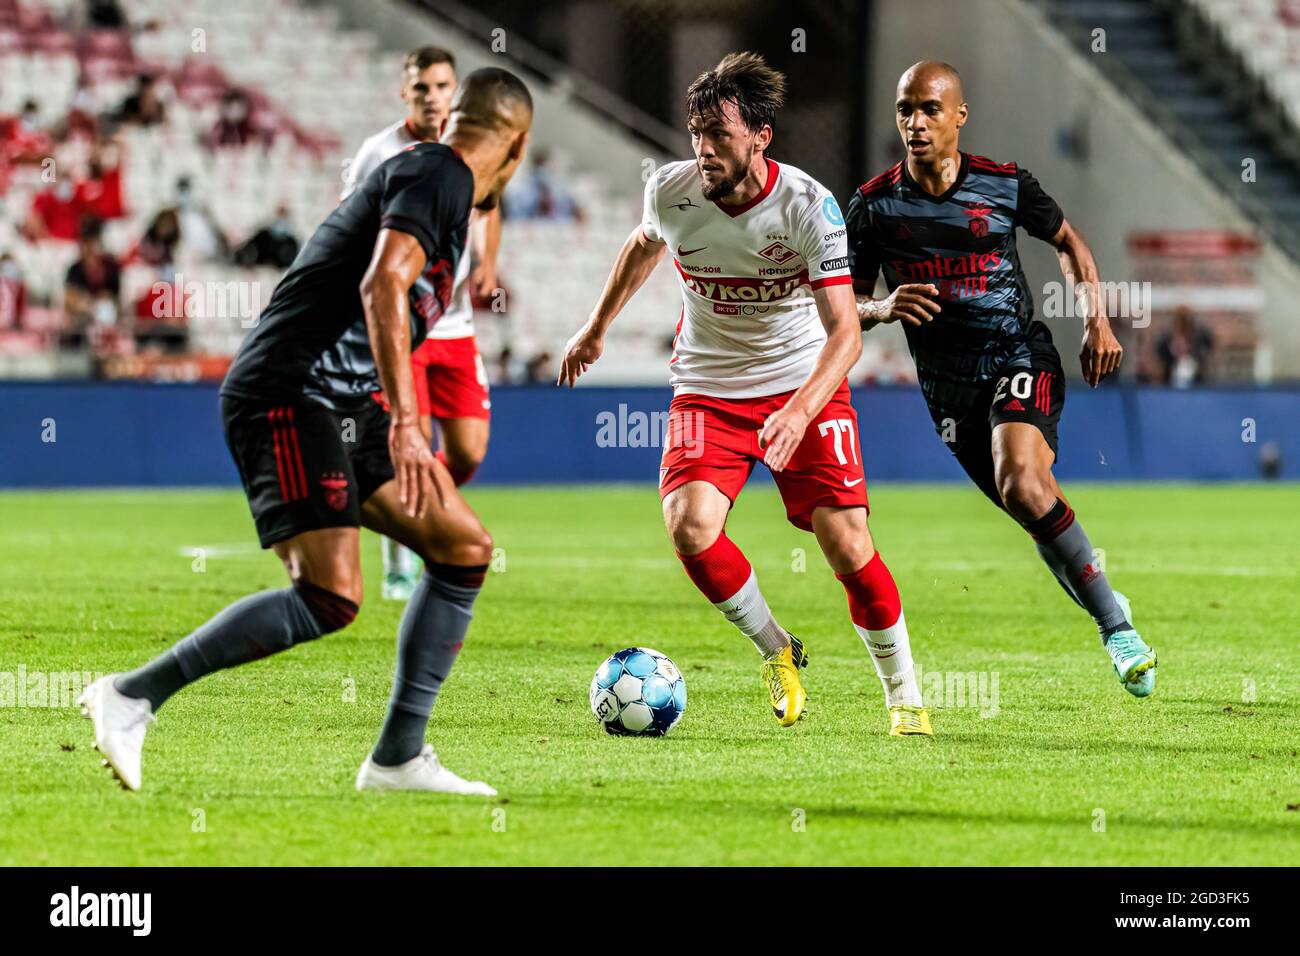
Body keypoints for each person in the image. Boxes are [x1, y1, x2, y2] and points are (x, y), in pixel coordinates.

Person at [78, 67, 533, 795]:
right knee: (331, 596)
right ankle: (132, 695)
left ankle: (398, 759)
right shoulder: (437, 174)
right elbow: (382, 283)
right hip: (292, 391)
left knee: (463, 549)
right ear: (516, 145)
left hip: (345, 400)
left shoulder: (442, 189)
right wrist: (411, 422)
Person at [558, 53, 933, 736]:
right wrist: (596, 326)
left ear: (760, 135)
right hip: (706, 389)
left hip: (800, 386)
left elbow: (845, 333)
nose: (704, 148)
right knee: (690, 528)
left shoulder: (806, 207)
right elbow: (643, 246)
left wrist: (798, 410)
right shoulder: (672, 192)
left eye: (719, 134)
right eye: (697, 132)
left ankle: (904, 694)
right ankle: (777, 650)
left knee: (846, 544)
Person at [844, 61, 1156, 697]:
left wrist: (1096, 320)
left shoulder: (1005, 185)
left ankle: (1117, 628)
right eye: (905, 109)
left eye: (930, 109)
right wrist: (882, 307)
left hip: (1018, 356)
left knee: (1021, 482)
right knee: (1031, 505)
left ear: (959, 116)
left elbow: (1068, 241)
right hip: (948, 395)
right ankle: (1099, 588)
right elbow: (845, 306)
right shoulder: (874, 208)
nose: (915, 122)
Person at [342, 45, 503, 601]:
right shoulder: (379, 152)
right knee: (415, 436)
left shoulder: (469, 150)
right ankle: (403, 547)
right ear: (405, 92)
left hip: (454, 324)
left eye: (442, 87)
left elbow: (490, 203)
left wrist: (487, 262)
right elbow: (350, 224)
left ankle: (409, 514)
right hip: (405, 325)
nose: (433, 97)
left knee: (467, 452)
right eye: (422, 88)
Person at [63, 217, 121, 348]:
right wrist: (89, 304)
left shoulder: (111, 267)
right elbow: (70, 299)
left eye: (92, 243)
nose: (89, 248)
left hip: (105, 323)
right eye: (85, 243)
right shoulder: (75, 269)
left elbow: (114, 299)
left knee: (105, 310)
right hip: (81, 324)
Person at [1155, 307, 1213, 387]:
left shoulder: (1199, 338)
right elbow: (1160, 351)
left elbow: (1207, 346)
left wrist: (1191, 352)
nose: (1182, 326)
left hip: (1195, 380)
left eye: (1184, 322)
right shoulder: (1167, 339)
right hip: (1170, 379)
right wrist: (1173, 351)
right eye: (1179, 322)